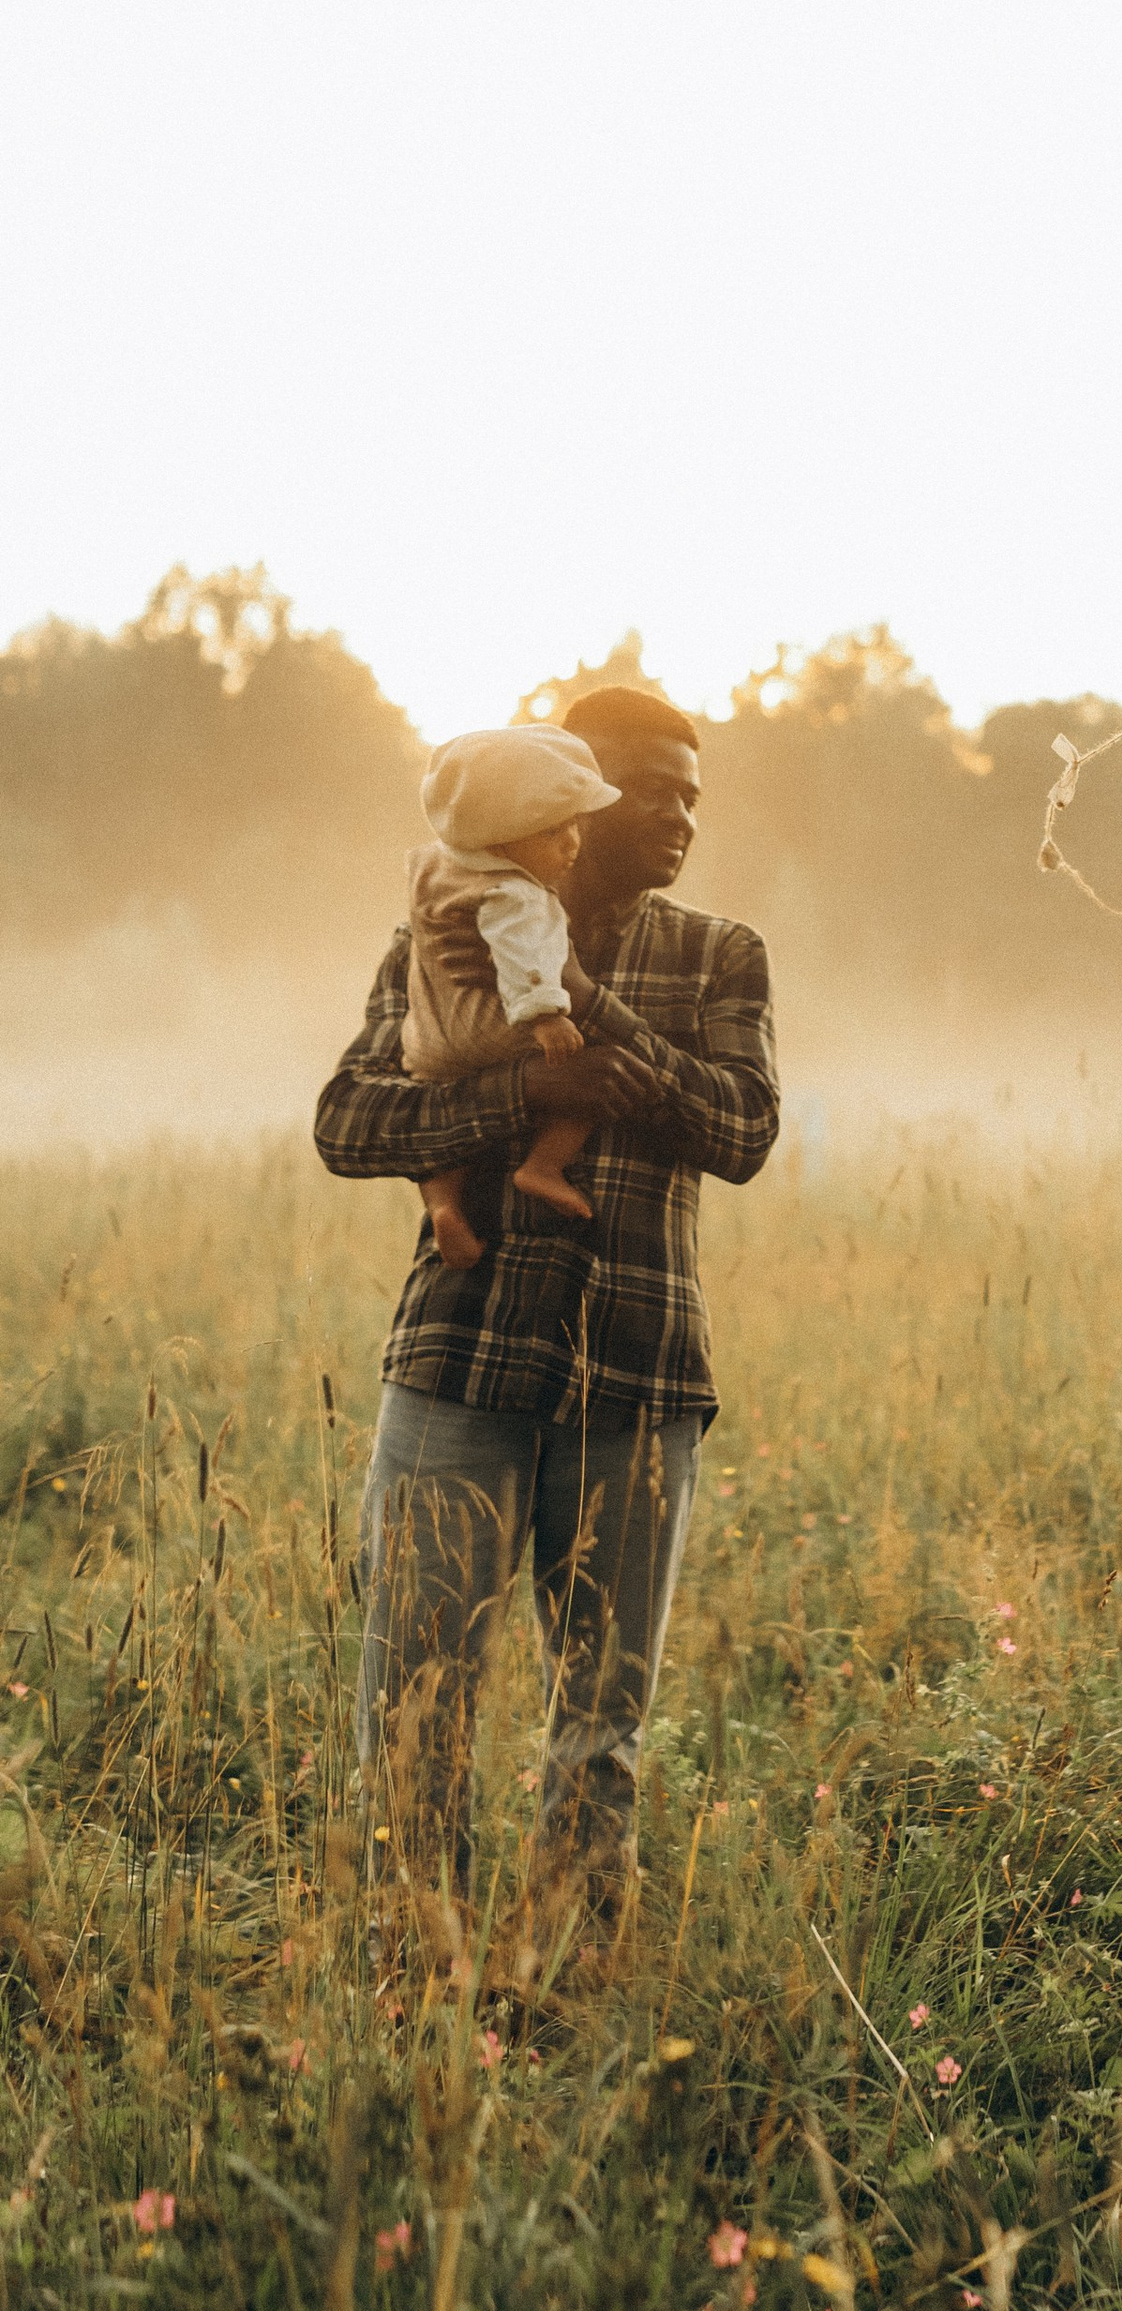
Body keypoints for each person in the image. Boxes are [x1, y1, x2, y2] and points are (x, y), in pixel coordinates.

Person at [313, 685, 779, 1967]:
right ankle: (420, 1968)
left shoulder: (717, 954)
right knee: (413, 1701)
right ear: (569, 791)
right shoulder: (444, 923)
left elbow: (742, 1130)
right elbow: (348, 1121)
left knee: (602, 1718)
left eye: (693, 792)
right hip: (458, 1367)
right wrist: (527, 1087)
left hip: (640, 1381)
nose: (678, 813)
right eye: (651, 788)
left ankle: (566, 1974)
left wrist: (599, 1022)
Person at [400, 725, 625, 1270]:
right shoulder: (518, 894)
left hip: (429, 1039)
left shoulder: (433, 866)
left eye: (574, 826)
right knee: (595, 1073)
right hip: (493, 1026)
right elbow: (526, 957)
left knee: (435, 1115)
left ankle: (443, 1207)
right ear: (500, 838)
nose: (572, 842)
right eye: (552, 832)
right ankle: (543, 1165)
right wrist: (546, 1015)